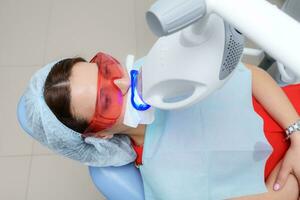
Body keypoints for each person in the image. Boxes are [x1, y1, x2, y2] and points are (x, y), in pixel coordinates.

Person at [25, 52, 300, 199]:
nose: (123, 83)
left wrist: (296, 134)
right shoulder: (168, 187)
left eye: (106, 70)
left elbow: (251, 75)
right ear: (101, 135)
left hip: (291, 111)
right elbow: (282, 196)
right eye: (107, 99)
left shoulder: (154, 69)